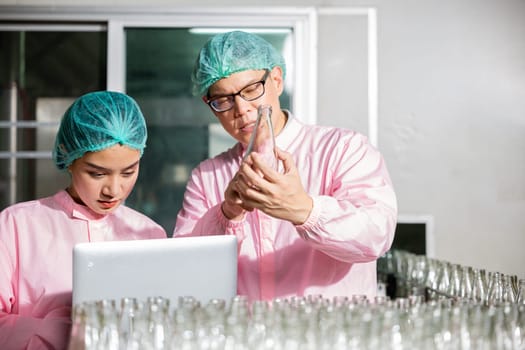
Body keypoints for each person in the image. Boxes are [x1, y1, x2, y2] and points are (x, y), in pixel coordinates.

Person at [174, 31, 397, 302]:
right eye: (223, 100)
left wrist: (305, 210)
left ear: (276, 80)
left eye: (251, 89)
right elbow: (187, 267)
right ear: (209, 106)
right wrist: (227, 214)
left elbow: (376, 235)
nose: (241, 109)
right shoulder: (207, 177)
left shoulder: (343, 149)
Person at [0, 91, 167, 349]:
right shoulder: (16, 226)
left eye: (128, 172)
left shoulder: (149, 233)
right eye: (97, 173)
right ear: (68, 157)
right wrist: (59, 332)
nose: (114, 189)